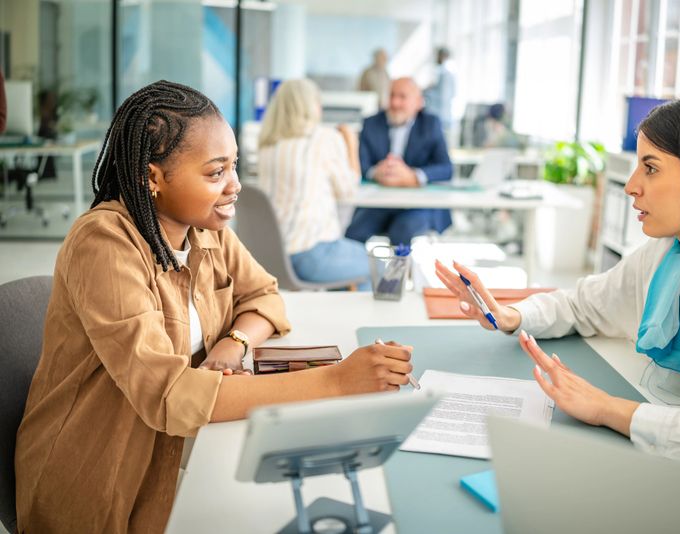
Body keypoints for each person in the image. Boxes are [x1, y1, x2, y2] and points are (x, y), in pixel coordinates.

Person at [15, 80, 414, 533]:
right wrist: (338, 381)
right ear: (152, 178)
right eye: (215, 172)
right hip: (101, 480)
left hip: (178, 448)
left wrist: (234, 343)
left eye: (235, 166)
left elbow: (264, 295)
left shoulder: (204, 227)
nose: (235, 186)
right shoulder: (105, 244)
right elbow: (168, 396)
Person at [435, 95, 680, 488]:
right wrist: (513, 316)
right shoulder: (670, 255)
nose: (630, 186)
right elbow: (584, 304)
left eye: (650, 168)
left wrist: (610, 410)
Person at [257, 79, 369, 288]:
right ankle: (357, 320)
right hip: (310, 256)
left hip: (269, 256)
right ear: (311, 107)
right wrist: (351, 145)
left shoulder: (267, 145)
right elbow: (348, 191)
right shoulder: (324, 138)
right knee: (379, 265)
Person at [345, 77, 453, 246]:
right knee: (353, 233)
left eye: (402, 97)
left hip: (420, 205)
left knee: (402, 231)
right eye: (392, 96)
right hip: (379, 204)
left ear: (418, 102)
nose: (395, 102)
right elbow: (361, 164)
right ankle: (361, 271)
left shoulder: (431, 124)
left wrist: (413, 176)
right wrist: (377, 172)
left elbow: (446, 168)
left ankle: (396, 273)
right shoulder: (371, 123)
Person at [423, 47, 456, 132]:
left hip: (439, 111)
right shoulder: (445, 72)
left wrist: (426, 91)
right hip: (442, 111)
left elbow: (443, 95)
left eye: (437, 56)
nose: (436, 58)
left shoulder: (444, 73)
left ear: (442, 56)